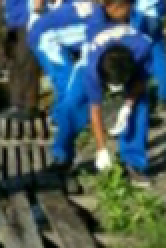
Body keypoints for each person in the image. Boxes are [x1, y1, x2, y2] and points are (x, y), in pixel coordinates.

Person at [50, 23, 154, 182]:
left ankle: (134, 163)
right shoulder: (92, 68)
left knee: (140, 108)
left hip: (129, 65)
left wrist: (127, 106)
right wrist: (101, 149)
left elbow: (141, 81)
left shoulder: (143, 48)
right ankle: (61, 156)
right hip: (89, 64)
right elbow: (95, 109)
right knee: (71, 106)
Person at [29, 0, 132, 124]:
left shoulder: (98, 12)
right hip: (45, 40)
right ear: (116, 7)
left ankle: (65, 116)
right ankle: (60, 120)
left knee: (70, 78)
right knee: (66, 79)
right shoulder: (97, 20)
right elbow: (91, 52)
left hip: (52, 37)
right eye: (126, 11)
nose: (127, 15)